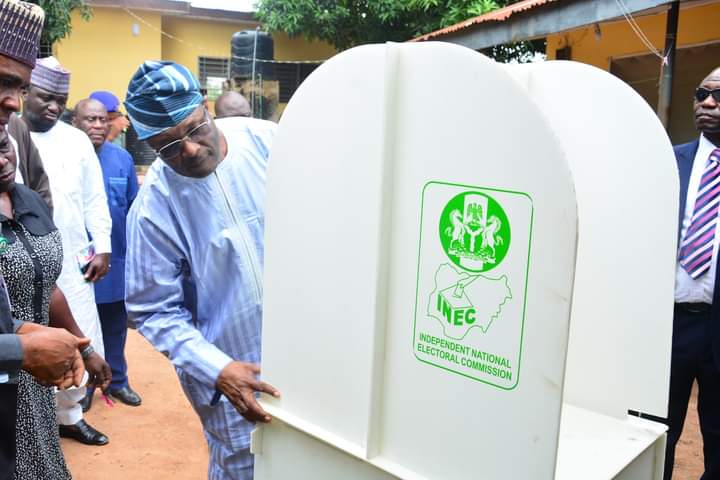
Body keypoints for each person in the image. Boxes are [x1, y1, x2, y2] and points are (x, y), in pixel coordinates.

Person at [124, 61, 279, 479]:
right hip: (231, 374)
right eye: (168, 146)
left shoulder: (268, 143)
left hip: (311, 350)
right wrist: (217, 369)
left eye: (194, 129)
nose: (189, 150)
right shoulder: (153, 207)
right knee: (244, 464)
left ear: (206, 107)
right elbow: (152, 309)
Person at [0, 0, 89, 475]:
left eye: (17, 86)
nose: (12, 102)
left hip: (24, 396)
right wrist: (22, 348)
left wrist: (27, 333)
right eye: (2, 82)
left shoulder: (27, 201)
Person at [0, 126, 111, 479]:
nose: (2, 160)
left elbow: (49, 286)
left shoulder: (29, 200)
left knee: (42, 459)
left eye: (4, 146)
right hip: (7, 368)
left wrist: (84, 347)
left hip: (41, 367)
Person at [22, 56, 113, 446]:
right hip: (22, 261)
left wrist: (103, 248)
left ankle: (70, 416)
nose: (54, 107)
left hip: (74, 259)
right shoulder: (9, 134)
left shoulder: (76, 140)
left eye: (61, 99)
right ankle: (30, 424)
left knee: (82, 335)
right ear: (25, 93)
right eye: (45, 97)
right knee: (29, 341)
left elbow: (95, 198)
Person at [666, 66, 720, 480]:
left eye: (718, 97)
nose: (707, 103)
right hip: (671, 325)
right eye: (702, 93)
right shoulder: (670, 161)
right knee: (659, 433)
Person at [73, 97, 141, 408]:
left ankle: (118, 382)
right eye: (90, 120)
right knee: (82, 328)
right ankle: (84, 386)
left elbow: (132, 207)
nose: (98, 126)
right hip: (78, 263)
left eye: (102, 120)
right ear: (76, 122)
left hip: (116, 259)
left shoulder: (122, 159)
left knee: (115, 324)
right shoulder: (67, 157)